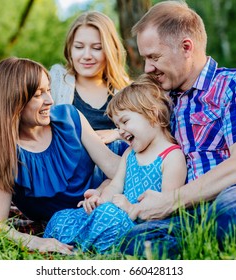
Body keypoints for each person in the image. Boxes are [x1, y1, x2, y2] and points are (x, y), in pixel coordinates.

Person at [120, 1, 236, 258]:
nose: (147, 68)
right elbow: (137, 158)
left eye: (154, 57)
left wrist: (171, 200)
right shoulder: (163, 101)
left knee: (235, 215)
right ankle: (212, 246)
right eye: (145, 58)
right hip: (190, 209)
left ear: (186, 47)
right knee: (135, 241)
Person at [0, 57, 120, 254]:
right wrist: (39, 243)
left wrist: (105, 189)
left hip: (108, 187)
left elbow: (114, 167)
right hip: (68, 220)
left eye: (49, 90)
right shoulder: (4, 154)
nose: (50, 101)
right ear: (13, 101)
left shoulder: (68, 117)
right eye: (38, 95)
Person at [43, 74, 187, 253]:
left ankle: (84, 248)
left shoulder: (172, 156)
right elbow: (115, 186)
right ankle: (82, 243)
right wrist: (99, 199)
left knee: (108, 216)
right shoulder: (130, 154)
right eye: (117, 126)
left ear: (153, 115)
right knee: (61, 217)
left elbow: (167, 208)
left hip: (138, 225)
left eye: (125, 121)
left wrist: (133, 208)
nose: (121, 131)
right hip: (114, 213)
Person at [49, 11, 130, 184]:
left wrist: (116, 133)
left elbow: (144, 134)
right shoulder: (56, 81)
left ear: (110, 50)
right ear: (70, 49)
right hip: (68, 172)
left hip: (114, 172)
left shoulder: (125, 90)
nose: (86, 55)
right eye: (79, 47)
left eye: (97, 48)